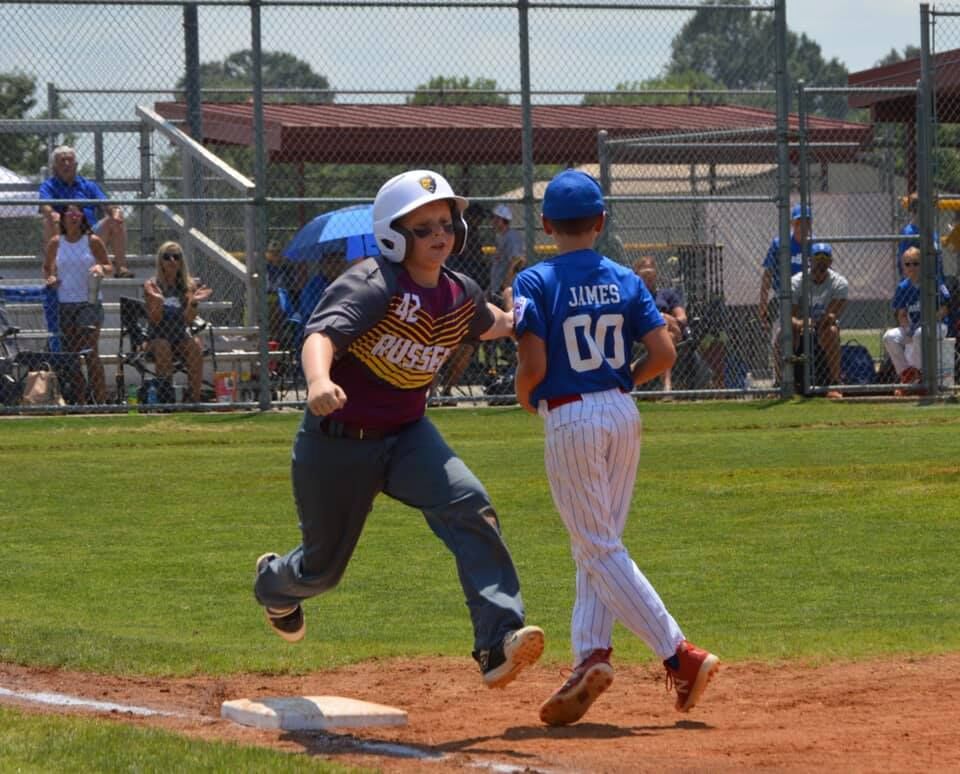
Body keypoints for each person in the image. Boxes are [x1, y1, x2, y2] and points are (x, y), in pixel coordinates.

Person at [253, 169, 544, 690]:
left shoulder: (458, 291)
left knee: (470, 504)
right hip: (337, 443)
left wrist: (526, 314)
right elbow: (320, 334)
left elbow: (493, 323)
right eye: (424, 226)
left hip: (409, 437)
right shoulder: (372, 283)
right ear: (392, 234)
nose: (441, 234)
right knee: (322, 571)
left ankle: (498, 641)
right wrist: (318, 380)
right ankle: (275, 584)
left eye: (447, 222)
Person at [511, 169, 718, 726]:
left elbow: (532, 364)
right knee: (598, 542)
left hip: (571, 414)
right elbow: (664, 353)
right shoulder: (625, 276)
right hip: (621, 410)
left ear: (546, 223)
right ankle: (591, 657)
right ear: (601, 222)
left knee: (598, 545)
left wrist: (525, 396)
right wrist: (626, 380)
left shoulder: (534, 279)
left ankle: (680, 655)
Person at [42, 203, 112, 404]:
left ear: (82, 217)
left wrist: (100, 267)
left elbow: (109, 266)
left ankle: (101, 401)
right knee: (72, 355)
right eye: (69, 213)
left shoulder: (92, 241)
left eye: (77, 212)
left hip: (89, 302)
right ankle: (80, 401)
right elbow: (47, 268)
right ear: (63, 218)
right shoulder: (56, 242)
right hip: (65, 304)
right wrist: (51, 278)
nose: (74, 216)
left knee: (90, 351)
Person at [39, 145, 134, 278]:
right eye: (62, 161)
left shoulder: (88, 185)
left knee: (116, 218)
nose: (67, 164)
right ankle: (54, 267)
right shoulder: (48, 186)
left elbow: (107, 204)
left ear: (76, 164)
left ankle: (121, 268)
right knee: (47, 221)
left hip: (90, 236)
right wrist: (52, 214)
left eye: (70, 160)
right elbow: (45, 205)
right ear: (55, 167)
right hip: (63, 236)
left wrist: (115, 211)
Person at [142, 241, 212, 403]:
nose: (172, 261)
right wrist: (158, 301)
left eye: (176, 257)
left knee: (195, 346)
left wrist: (193, 302)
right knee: (163, 346)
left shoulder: (188, 285)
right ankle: (166, 397)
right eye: (167, 257)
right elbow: (154, 320)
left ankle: (193, 399)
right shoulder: (152, 285)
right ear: (161, 261)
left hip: (179, 335)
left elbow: (188, 320)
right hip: (156, 337)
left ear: (181, 261)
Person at [633, 255, 711, 392]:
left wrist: (663, 317)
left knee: (667, 332)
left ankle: (662, 383)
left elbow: (682, 318)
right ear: (636, 275)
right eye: (644, 274)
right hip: (642, 334)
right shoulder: (632, 296)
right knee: (666, 333)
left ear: (656, 274)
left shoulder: (667, 294)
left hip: (668, 332)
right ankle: (666, 385)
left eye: (651, 273)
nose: (648, 278)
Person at [882, 246, 950, 393]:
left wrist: (928, 321)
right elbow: (901, 314)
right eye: (907, 264)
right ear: (903, 267)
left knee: (920, 333)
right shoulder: (903, 287)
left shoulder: (933, 281)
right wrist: (907, 328)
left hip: (938, 326)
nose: (911, 267)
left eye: (916, 263)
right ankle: (907, 374)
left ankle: (922, 377)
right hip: (914, 328)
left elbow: (945, 308)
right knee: (890, 336)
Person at [759, 203, 811, 382]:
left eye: (806, 223)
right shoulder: (780, 244)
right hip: (783, 299)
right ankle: (780, 380)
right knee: (780, 337)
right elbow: (767, 275)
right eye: (798, 223)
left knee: (801, 337)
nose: (802, 227)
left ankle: (804, 378)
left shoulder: (815, 246)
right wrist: (763, 304)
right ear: (791, 224)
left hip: (807, 300)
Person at [790, 242, 848, 399]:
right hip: (801, 326)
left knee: (832, 331)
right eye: (817, 258)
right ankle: (784, 384)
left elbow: (832, 314)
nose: (821, 263)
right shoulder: (797, 281)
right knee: (783, 334)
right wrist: (801, 323)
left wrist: (817, 323)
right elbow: (790, 315)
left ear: (831, 262)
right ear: (810, 261)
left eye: (825, 259)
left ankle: (834, 384)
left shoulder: (839, 283)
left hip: (823, 326)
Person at [897, 193, 944, 281]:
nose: (932, 212)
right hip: (917, 285)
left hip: (936, 281)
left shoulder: (931, 232)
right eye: (930, 208)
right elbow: (904, 265)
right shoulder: (909, 233)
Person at [489, 203, 525, 307]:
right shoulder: (501, 237)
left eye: (494, 218)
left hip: (507, 290)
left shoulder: (512, 237)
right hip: (498, 289)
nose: (492, 221)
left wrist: (505, 284)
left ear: (501, 219)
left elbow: (518, 260)